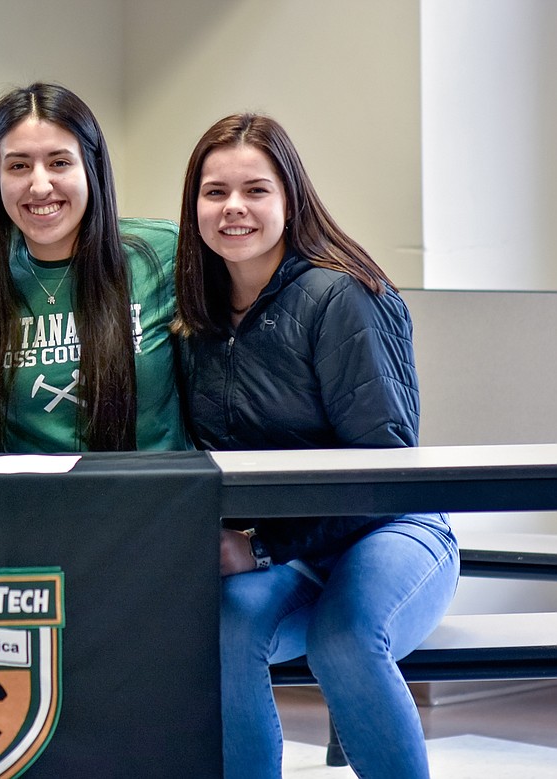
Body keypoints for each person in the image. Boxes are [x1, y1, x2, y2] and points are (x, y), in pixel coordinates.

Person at [173, 113, 459, 778]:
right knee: (228, 624)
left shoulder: (343, 295)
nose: (233, 207)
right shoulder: (197, 317)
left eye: (255, 190)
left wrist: (263, 546)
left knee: (346, 636)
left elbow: (386, 471)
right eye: (215, 192)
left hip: (392, 526)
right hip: (296, 546)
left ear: (290, 198)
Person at [0, 82, 186, 453]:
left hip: (156, 497)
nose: (39, 185)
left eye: (59, 162)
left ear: (91, 167)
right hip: (37, 503)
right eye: (18, 165)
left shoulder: (162, 252)